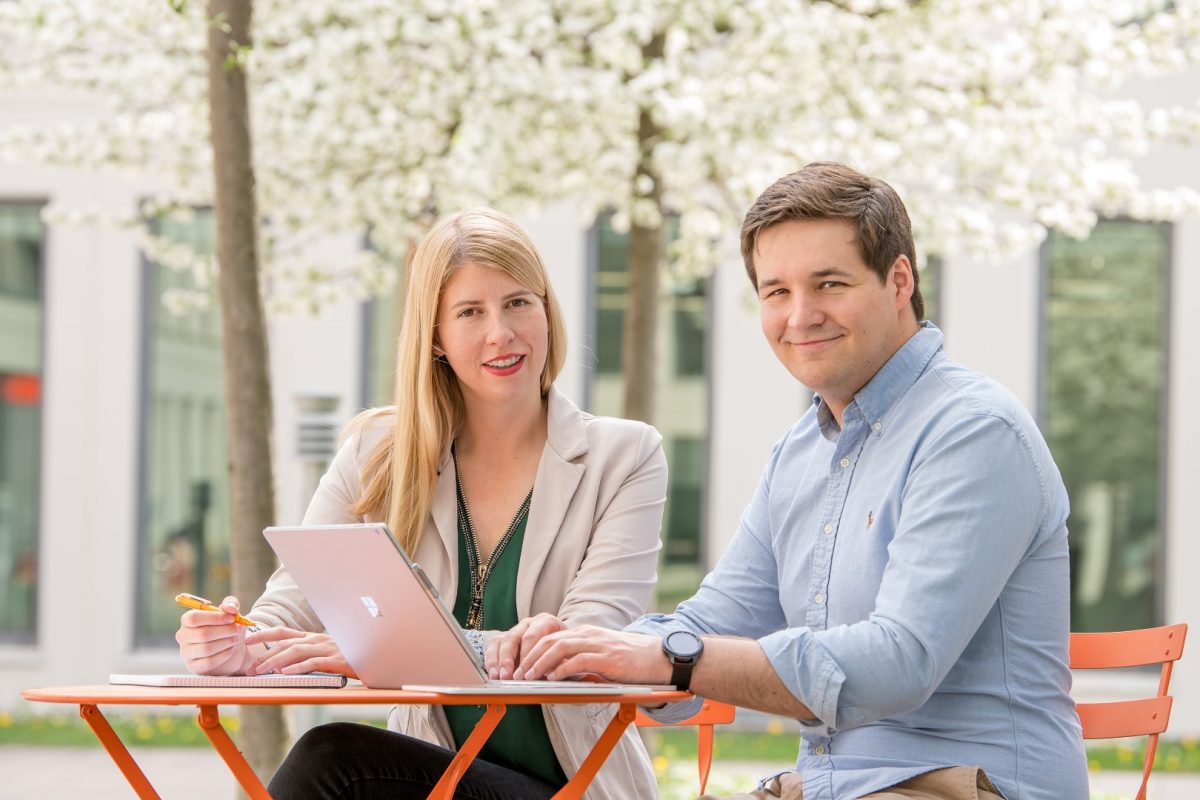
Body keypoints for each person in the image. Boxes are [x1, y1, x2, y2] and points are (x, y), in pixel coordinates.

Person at [494, 163, 1089, 800]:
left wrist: (675, 660)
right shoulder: (801, 451)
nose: (800, 316)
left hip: (969, 787)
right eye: (776, 292)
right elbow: (716, 618)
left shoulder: (972, 431)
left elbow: (898, 663)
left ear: (899, 281)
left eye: (828, 284)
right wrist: (595, 649)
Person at [175, 207, 667, 800]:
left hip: (572, 787)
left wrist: (386, 652)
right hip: (432, 779)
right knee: (332, 758)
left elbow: (588, 646)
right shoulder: (375, 455)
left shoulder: (626, 456)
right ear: (434, 336)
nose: (501, 333)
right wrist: (235, 644)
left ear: (546, 312)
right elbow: (294, 609)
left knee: (332, 759)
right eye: (470, 312)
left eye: (518, 303)